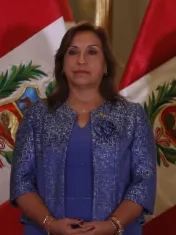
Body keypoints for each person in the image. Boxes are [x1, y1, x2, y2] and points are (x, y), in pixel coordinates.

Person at [10, 21, 157, 235]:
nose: (81, 60)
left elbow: (144, 181)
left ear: (106, 65)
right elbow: (21, 181)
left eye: (92, 52)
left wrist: (112, 225)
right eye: (72, 52)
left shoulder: (132, 116)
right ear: (62, 64)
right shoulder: (38, 115)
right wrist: (50, 224)